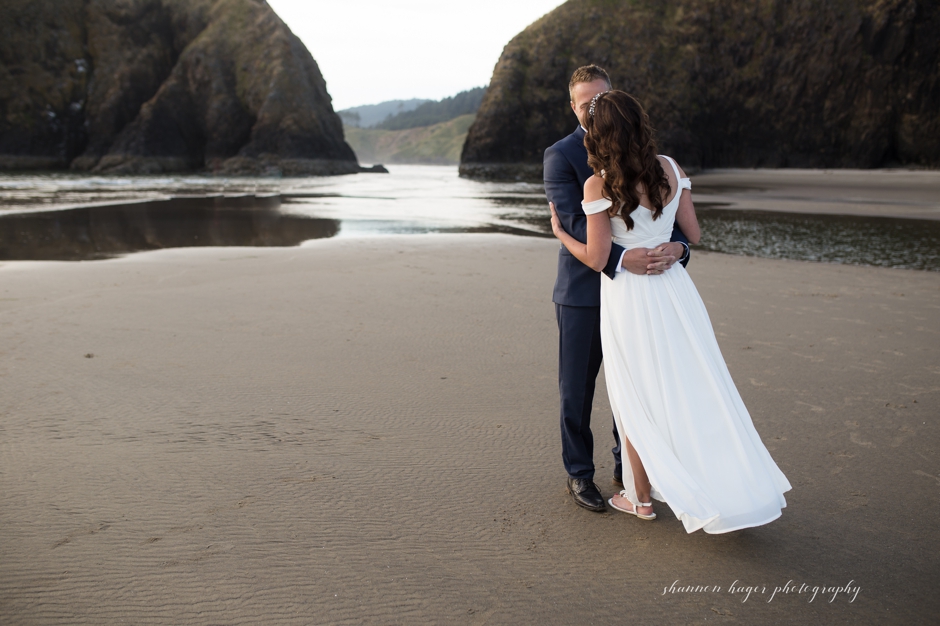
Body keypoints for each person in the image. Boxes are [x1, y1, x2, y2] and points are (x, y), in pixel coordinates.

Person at [549, 89, 791, 533]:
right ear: (639, 122)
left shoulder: (599, 184)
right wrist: (673, 247)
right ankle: (684, 486)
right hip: (676, 293)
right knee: (691, 387)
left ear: (598, 132)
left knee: (635, 397)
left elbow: (598, 258)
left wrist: (561, 234)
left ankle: (641, 499)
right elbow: (692, 234)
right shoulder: (671, 169)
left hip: (631, 299)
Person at [544, 65, 692, 512]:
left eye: (599, 100)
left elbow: (665, 216)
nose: (592, 109)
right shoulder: (561, 155)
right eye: (584, 103)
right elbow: (574, 221)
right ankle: (579, 473)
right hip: (584, 295)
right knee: (577, 390)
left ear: (612, 97)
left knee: (637, 386)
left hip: (642, 296)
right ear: (572, 106)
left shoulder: (645, 154)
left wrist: (678, 249)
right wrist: (623, 258)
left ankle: (627, 469)